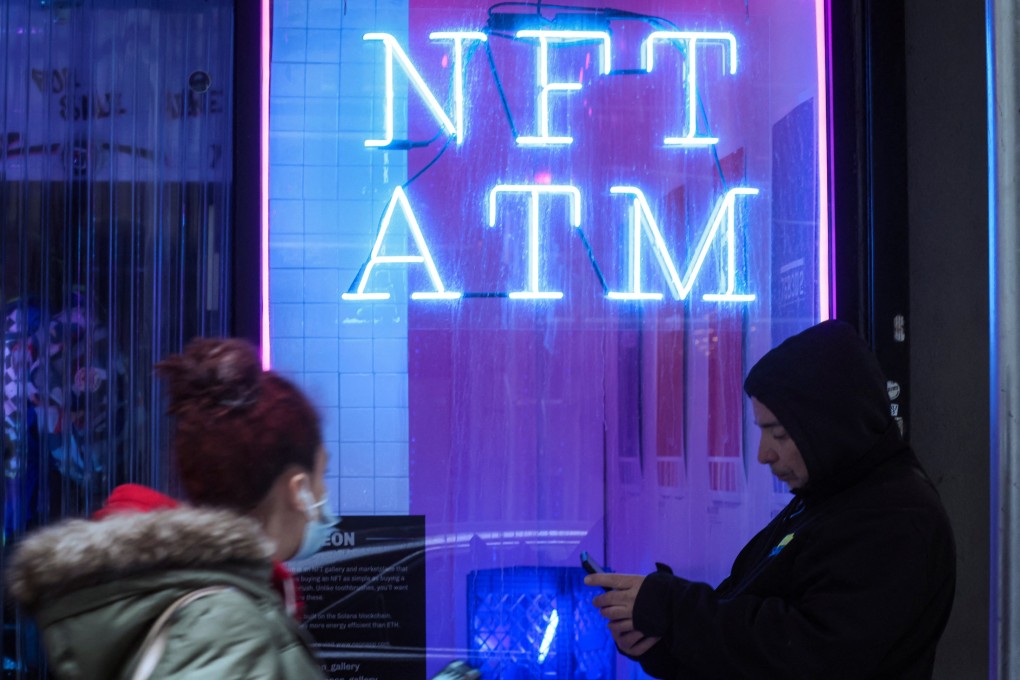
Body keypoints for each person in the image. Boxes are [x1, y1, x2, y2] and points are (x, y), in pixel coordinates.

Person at [585, 320, 957, 679]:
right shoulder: (824, 499)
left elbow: (808, 656)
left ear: (829, 424)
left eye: (778, 434)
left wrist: (673, 609)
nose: (764, 454)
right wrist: (663, 642)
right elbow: (747, 623)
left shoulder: (895, 519)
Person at [6, 337, 333, 679]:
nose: (324, 492)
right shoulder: (223, 625)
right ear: (299, 489)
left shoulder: (180, 594)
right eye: (322, 473)